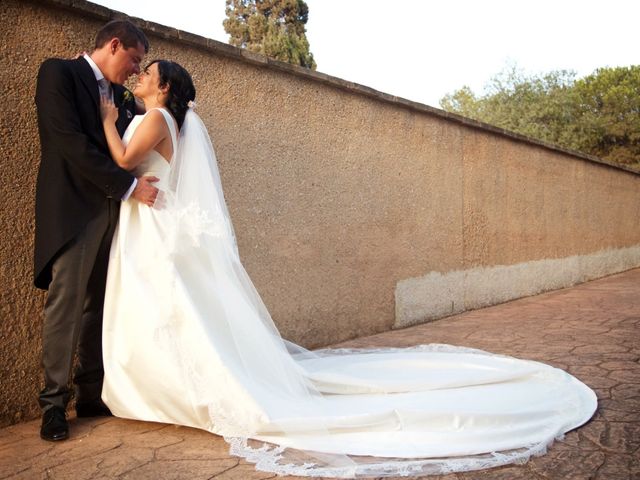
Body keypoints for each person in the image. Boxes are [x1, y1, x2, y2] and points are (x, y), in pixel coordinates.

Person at [99, 60, 598, 477]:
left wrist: (104, 119)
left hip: (157, 229)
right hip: (158, 226)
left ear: (163, 87)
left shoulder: (157, 119)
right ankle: (167, 390)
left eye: (149, 73)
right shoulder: (178, 122)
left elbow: (123, 160)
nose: (140, 76)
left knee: (165, 311)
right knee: (175, 313)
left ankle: (170, 393)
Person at [34, 20, 158, 442]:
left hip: (115, 215)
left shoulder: (122, 96)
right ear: (114, 44)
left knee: (101, 305)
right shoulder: (58, 73)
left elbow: (138, 132)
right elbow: (67, 141)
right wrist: (127, 186)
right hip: (74, 211)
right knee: (65, 307)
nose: (136, 71)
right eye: (134, 60)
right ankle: (53, 404)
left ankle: (91, 393)